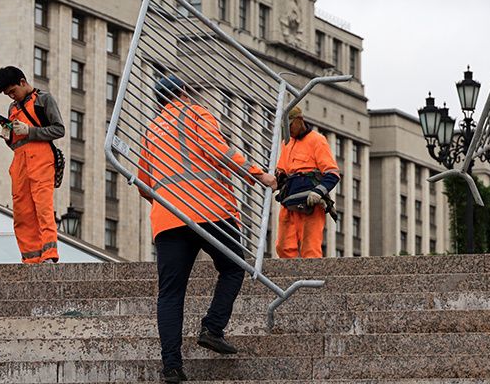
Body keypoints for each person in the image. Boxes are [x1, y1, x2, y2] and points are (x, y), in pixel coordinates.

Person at [136, 76, 276, 383]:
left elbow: (144, 186)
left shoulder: (151, 130)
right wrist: (259, 175)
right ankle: (212, 327)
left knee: (170, 293)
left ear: (160, 100)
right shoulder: (197, 113)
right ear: (184, 92)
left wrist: (170, 198)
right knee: (234, 267)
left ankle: (172, 366)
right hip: (210, 209)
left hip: (169, 218)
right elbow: (219, 151)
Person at [0, 66, 65, 264]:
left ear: (23, 82)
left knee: (43, 208)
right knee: (22, 214)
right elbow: (16, 144)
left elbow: (59, 130)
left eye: (12, 91)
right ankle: (30, 259)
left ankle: (49, 255)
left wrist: (30, 131)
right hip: (20, 163)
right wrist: (8, 135)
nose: (11, 96)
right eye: (8, 94)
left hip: (42, 160)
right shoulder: (13, 108)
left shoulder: (44, 99)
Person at [274, 105, 341, 258]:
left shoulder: (317, 140)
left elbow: (333, 173)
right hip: (289, 202)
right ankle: (290, 274)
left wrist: (318, 192)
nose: (288, 130)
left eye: (290, 125)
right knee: (283, 248)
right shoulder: (287, 143)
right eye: (285, 127)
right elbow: (281, 172)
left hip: (310, 203)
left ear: (299, 120)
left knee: (310, 248)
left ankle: (312, 274)